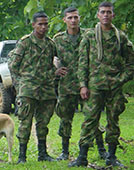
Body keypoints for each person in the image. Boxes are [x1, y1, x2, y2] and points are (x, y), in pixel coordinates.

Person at [69, 2, 134, 167]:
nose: (106, 15)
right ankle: (82, 157)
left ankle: (111, 156)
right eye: (103, 12)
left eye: (109, 12)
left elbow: (131, 63)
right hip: (94, 87)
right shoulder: (90, 37)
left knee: (113, 121)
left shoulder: (120, 37)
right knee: (90, 120)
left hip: (114, 87)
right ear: (98, 15)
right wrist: (83, 85)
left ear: (113, 15)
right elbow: (82, 63)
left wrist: (121, 79)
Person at [53, 7, 107, 161]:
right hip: (67, 85)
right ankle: (64, 151)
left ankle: (102, 149)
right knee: (65, 119)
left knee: (92, 117)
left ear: (79, 18)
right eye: (69, 18)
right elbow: (47, 57)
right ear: (64, 20)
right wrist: (55, 70)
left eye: (75, 17)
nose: (73, 20)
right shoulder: (58, 39)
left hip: (88, 85)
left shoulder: (89, 35)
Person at [8, 11, 63, 164]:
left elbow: (51, 65)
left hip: (46, 90)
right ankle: (22, 156)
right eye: (40, 24)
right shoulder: (25, 42)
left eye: (46, 24)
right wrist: (22, 83)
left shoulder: (50, 44)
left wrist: (54, 72)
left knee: (43, 123)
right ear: (33, 25)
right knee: (25, 123)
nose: (43, 27)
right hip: (28, 90)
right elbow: (13, 66)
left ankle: (42, 153)